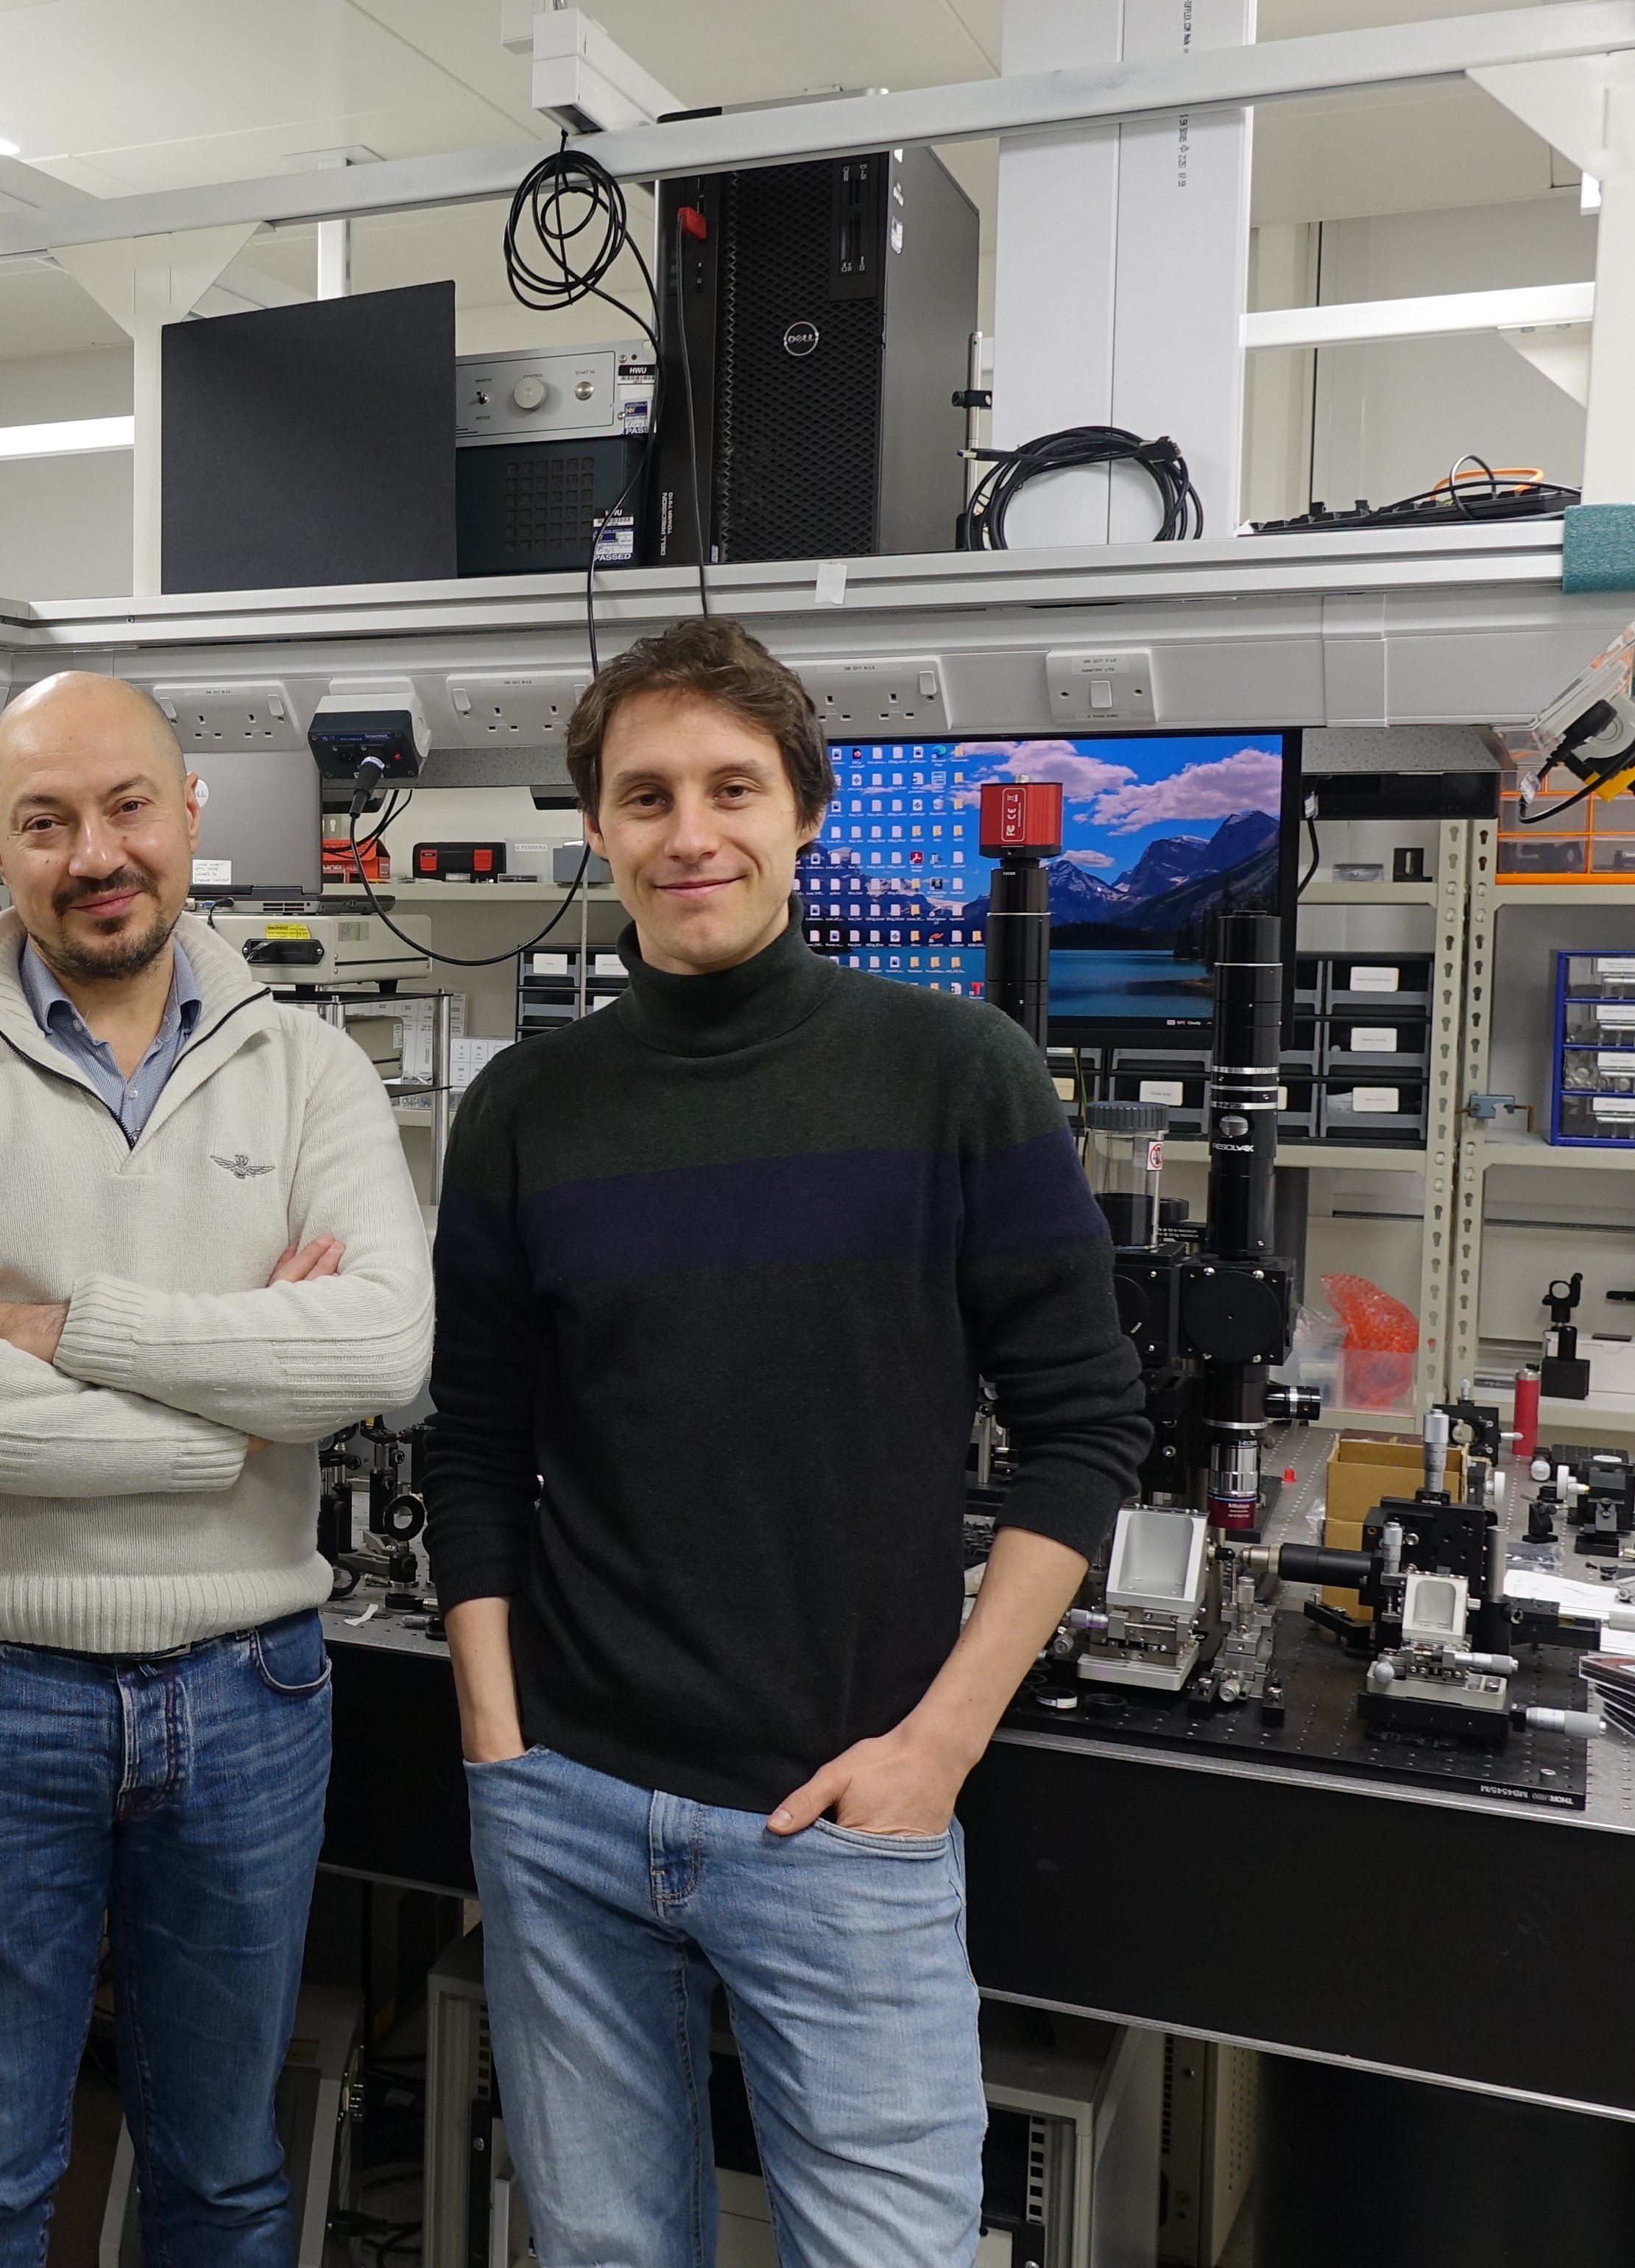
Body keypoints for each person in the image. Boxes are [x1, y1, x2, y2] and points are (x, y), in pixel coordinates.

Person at [423, 615, 1149, 2268]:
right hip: (571, 1803)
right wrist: (498, 1741)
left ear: (803, 813)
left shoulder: (956, 1071)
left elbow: (1081, 1426)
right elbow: (472, 1445)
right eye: (647, 794)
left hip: (845, 1820)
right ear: (598, 829)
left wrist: (940, 1748)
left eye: (733, 787)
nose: (692, 832)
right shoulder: (528, 1110)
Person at [0, 670, 434, 2267]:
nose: (93, 852)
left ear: (190, 816)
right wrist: (241, 1403)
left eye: (125, 807)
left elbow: (378, 1355)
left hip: (250, 1695)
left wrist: (63, 1322)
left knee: (224, 2175)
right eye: (45, 821)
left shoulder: (311, 1071)